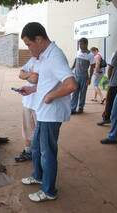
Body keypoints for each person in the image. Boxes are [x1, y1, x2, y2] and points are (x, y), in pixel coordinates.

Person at [19, 22, 77, 202]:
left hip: (51, 115)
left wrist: (51, 96)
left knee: (47, 152)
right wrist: (32, 90)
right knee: (36, 147)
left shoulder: (55, 57)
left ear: (39, 39)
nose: (29, 49)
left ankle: (49, 191)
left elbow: (71, 85)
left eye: (29, 44)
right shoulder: (45, 55)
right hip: (43, 112)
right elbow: (47, 83)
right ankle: (38, 176)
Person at [14, 57, 39, 162]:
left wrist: (27, 75)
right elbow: (20, 74)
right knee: (27, 129)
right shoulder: (33, 59)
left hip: (40, 104)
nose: (29, 48)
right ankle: (28, 151)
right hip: (27, 101)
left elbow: (35, 80)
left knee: (40, 132)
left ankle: (39, 154)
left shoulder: (47, 60)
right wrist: (30, 74)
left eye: (30, 44)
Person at [97, 43, 117, 126]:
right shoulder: (116, 55)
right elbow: (111, 67)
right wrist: (110, 80)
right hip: (114, 83)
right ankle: (106, 118)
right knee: (109, 101)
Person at [70, 38, 95, 114]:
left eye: (81, 44)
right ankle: (73, 108)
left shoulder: (90, 55)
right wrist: (71, 69)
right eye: (79, 44)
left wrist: (89, 78)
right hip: (76, 76)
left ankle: (81, 107)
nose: (80, 46)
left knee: (83, 93)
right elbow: (75, 61)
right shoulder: (78, 52)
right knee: (75, 92)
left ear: (86, 44)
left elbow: (92, 67)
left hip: (84, 77)